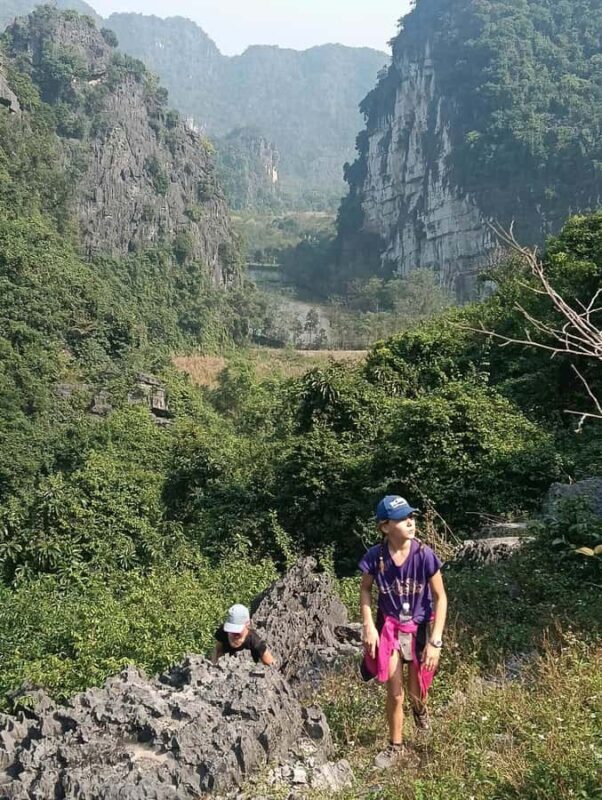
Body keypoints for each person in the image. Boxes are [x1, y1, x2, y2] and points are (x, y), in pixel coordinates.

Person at [359, 495, 447, 768]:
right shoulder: (376, 557)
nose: (410, 522)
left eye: (411, 517)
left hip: (418, 628)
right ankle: (395, 746)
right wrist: (368, 625)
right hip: (390, 630)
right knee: (395, 692)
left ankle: (420, 711)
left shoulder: (424, 555)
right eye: (402, 519)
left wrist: (435, 641)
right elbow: (365, 589)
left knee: (415, 691)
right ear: (385, 526)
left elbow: (440, 597)